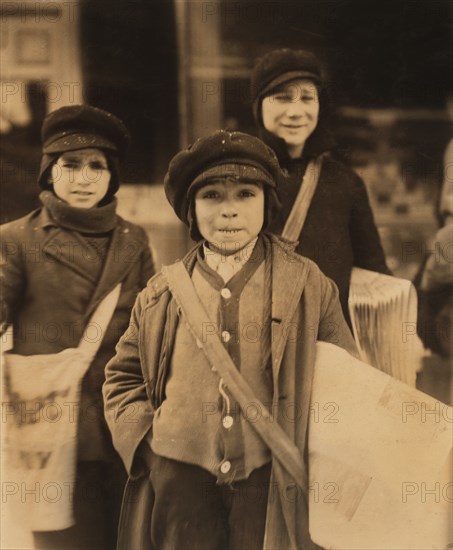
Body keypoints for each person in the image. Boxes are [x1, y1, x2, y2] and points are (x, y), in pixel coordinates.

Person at [103, 130, 357, 549]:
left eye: (244, 195)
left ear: (267, 203)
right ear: (191, 208)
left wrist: (313, 457)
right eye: (212, 197)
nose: (229, 212)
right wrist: (150, 447)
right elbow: (122, 379)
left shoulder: (309, 285)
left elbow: (346, 382)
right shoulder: (160, 295)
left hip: (270, 480)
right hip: (180, 483)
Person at [0, 105, 155, 549]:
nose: (84, 178)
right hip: (51, 434)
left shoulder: (134, 239)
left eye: (97, 166)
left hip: (124, 429)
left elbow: (154, 329)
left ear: (112, 177)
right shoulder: (17, 240)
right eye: (70, 165)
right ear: (49, 171)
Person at [250, 48, 390, 320]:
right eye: (282, 98)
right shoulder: (240, 176)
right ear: (259, 105)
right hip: (258, 336)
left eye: (307, 98)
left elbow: (375, 269)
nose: (296, 112)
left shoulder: (345, 182)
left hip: (333, 341)